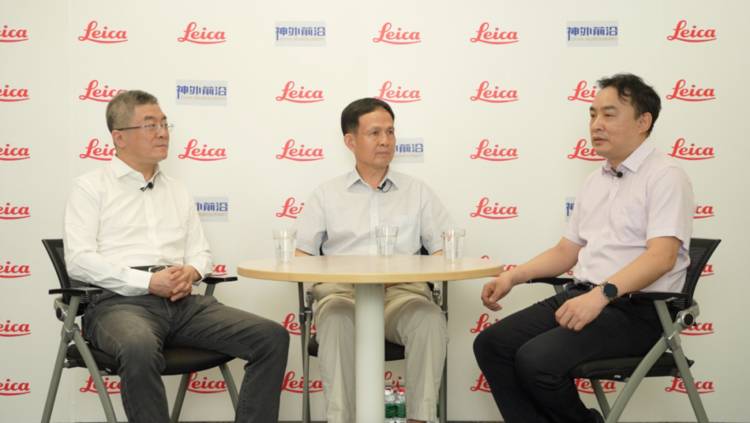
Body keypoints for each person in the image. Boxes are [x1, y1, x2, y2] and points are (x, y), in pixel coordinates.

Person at [473, 73, 694, 423]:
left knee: (537, 360)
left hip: (639, 312)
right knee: (492, 345)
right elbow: (567, 250)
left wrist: (602, 295)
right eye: (592, 114)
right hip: (585, 295)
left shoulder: (665, 175)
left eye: (608, 114)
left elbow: (662, 257)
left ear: (643, 121)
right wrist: (513, 277)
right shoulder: (595, 180)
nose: (596, 124)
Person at [64, 90, 289, 423]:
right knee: (138, 346)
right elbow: (79, 260)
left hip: (182, 304)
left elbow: (201, 252)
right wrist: (148, 282)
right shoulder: (90, 187)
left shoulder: (177, 190)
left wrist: (192, 271)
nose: (162, 133)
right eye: (150, 125)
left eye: (164, 124)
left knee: (271, 337)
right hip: (118, 304)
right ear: (119, 137)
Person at [295, 97, 451, 423]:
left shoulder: (418, 192)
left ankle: (420, 419)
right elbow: (301, 257)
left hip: (401, 296)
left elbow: (443, 253)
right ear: (350, 141)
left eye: (390, 132)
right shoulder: (326, 195)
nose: (385, 141)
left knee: (429, 319)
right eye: (375, 133)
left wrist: (415, 272)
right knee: (335, 319)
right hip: (343, 296)